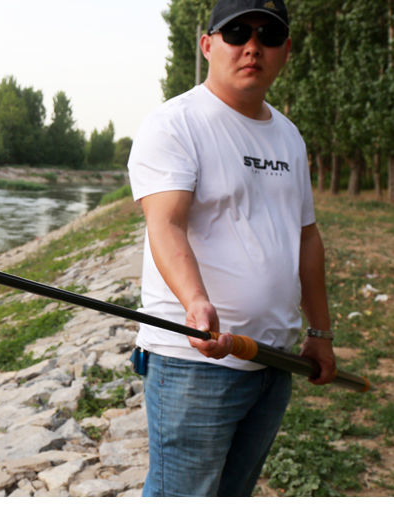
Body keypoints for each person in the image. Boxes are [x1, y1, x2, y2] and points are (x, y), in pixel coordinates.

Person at [127, 0, 336, 497]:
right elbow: (167, 225)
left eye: (267, 36)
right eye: (237, 31)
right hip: (195, 363)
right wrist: (196, 304)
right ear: (207, 45)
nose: (251, 47)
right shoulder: (175, 123)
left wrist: (320, 331)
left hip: (274, 362)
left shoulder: (288, 136)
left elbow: (306, 237)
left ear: (285, 51)